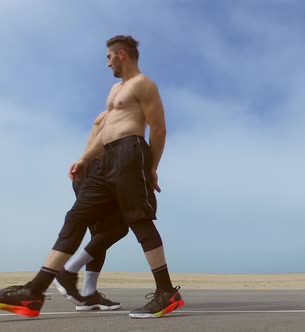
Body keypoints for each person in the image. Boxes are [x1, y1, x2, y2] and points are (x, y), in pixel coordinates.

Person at [0, 35, 184, 319]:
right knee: (76, 217)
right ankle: (34, 292)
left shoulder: (143, 84)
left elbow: (158, 129)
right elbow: (106, 130)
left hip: (130, 153)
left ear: (122, 54)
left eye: (109, 57)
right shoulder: (114, 90)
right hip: (106, 159)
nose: (107, 62)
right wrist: (85, 159)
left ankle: (166, 291)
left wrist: (151, 168)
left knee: (138, 220)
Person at [51, 110, 127, 311]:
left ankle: (88, 294)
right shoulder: (121, 114)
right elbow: (109, 143)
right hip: (100, 174)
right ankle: (68, 271)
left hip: (87, 175)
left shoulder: (104, 115)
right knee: (118, 229)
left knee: (99, 236)